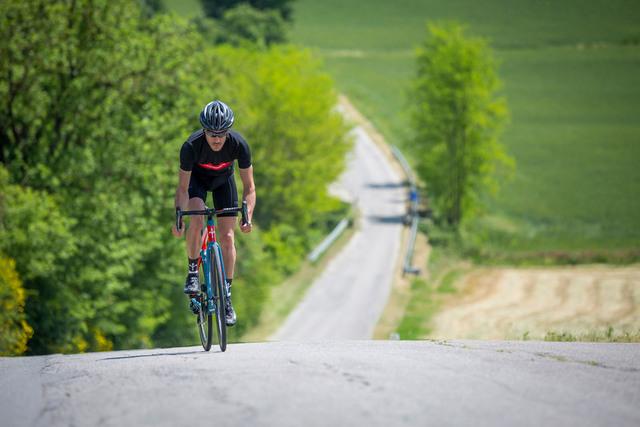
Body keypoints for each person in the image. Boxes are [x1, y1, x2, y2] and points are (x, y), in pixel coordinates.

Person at [172, 100, 255, 326]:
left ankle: (226, 297)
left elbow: (250, 188)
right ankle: (192, 271)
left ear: (228, 131)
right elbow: (182, 189)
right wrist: (179, 218)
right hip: (196, 183)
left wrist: (247, 215)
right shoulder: (191, 146)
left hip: (223, 182)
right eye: (211, 134)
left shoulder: (239, 145)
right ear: (204, 131)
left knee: (227, 237)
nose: (217, 139)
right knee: (197, 219)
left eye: (221, 134)